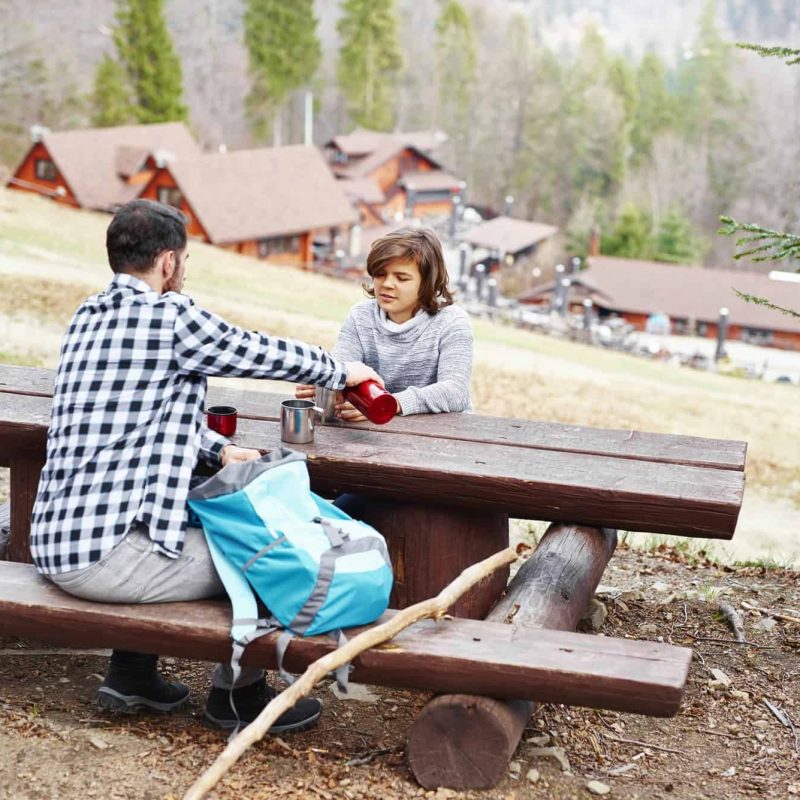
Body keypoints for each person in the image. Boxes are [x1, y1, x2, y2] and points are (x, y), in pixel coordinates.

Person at [29, 199, 382, 734]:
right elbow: (256, 351)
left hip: (54, 539)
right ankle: (237, 699)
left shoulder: (88, 315)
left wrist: (218, 452)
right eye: (186, 261)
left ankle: (131, 675)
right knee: (267, 553)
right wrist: (343, 370)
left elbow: (134, 410)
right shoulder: (171, 317)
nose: (185, 272)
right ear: (168, 262)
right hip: (106, 559)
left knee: (188, 519)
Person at [296, 226, 473, 421]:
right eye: (380, 274)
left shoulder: (453, 323)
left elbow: (456, 392)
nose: (387, 284)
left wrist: (390, 404)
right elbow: (343, 366)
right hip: (375, 432)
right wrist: (328, 383)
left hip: (443, 435)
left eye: (401, 278)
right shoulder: (361, 316)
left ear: (427, 282)